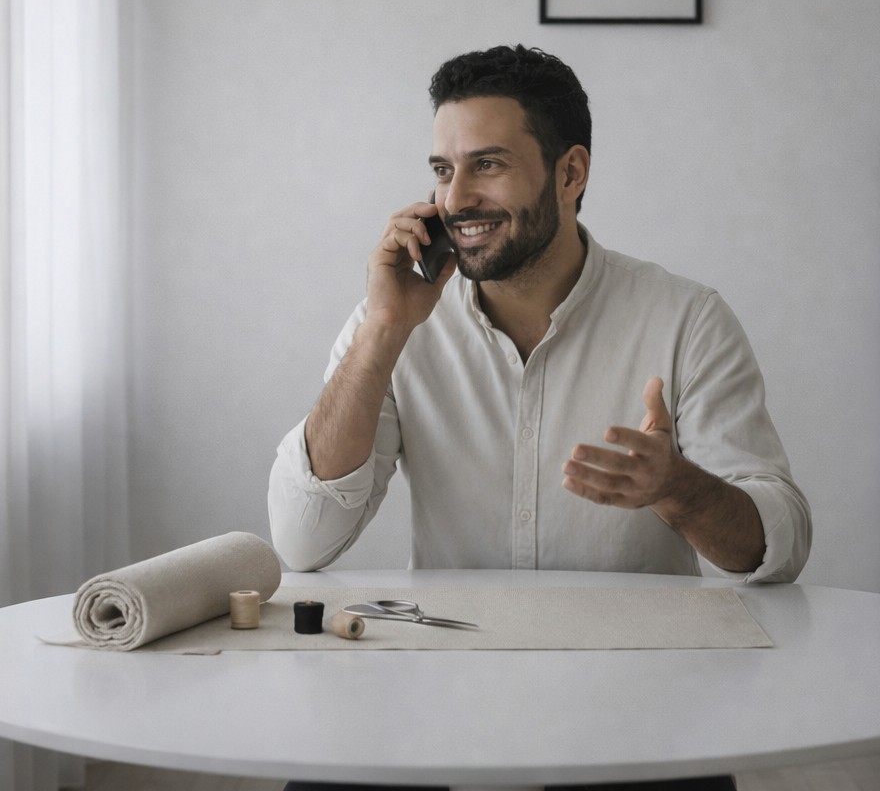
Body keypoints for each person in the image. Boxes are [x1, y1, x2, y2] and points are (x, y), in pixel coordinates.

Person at [269, 45, 812, 791]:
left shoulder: (688, 320)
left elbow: (777, 548)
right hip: (441, 689)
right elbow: (302, 540)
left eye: (487, 164)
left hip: (642, 708)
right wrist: (383, 333)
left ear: (571, 173)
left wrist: (680, 489)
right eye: (441, 169)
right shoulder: (391, 321)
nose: (455, 198)